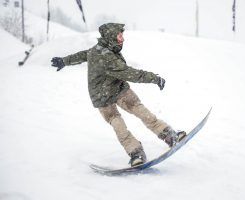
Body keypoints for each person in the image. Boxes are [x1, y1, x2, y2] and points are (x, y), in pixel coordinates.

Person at [51, 23, 186, 167]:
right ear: (110, 37)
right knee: (119, 126)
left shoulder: (103, 48)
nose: (122, 39)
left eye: (122, 35)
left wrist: (64, 61)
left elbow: (84, 54)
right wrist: (154, 78)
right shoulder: (106, 57)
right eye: (119, 36)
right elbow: (130, 74)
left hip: (118, 88)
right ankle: (136, 153)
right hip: (102, 97)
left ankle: (169, 136)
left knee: (143, 112)